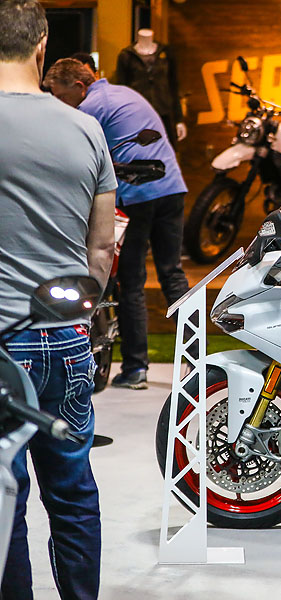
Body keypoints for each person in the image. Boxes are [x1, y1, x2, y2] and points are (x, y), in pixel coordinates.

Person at [0, 1, 116, 597]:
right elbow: (101, 250)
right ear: (42, 44)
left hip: (2, 351)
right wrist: (79, 319)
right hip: (68, 342)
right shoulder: (87, 128)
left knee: (5, 499)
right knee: (73, 494)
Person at [44, 58, 190, 390]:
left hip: (138, 194)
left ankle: (136, 367)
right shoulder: (123, 93)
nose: (55, 101)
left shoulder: (91, 106)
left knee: (131, 280)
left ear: (78, 87)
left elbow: (69, 155)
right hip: (172, 189)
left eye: (58, 94)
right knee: (172, 273)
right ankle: (196, 362)